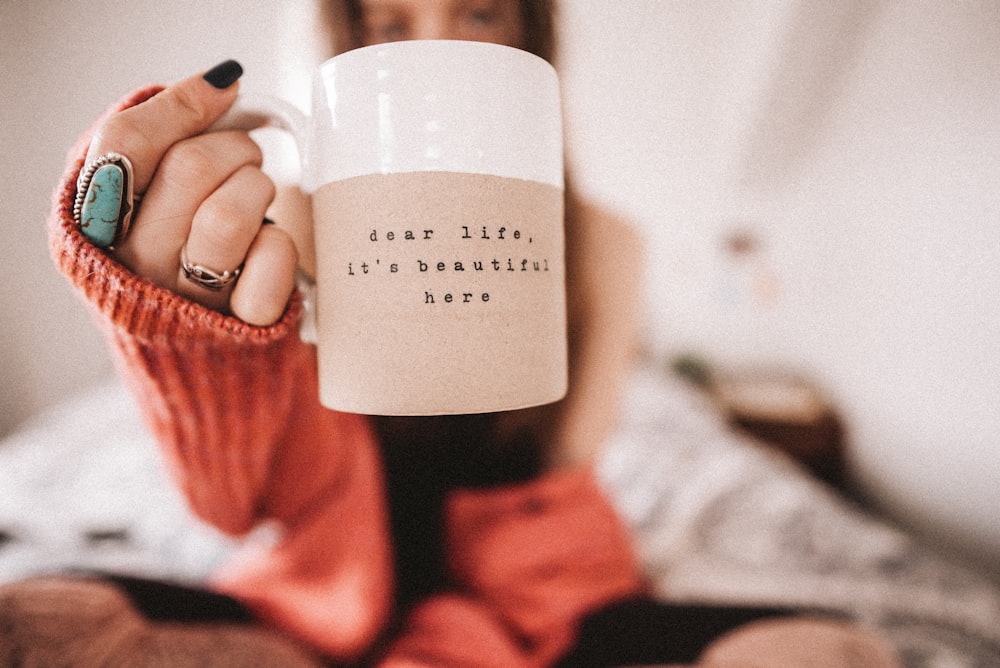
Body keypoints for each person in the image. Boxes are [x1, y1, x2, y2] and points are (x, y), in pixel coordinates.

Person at [1, 1, 901, 666]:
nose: (435, 46)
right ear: (354, 53)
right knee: (37, 627)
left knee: (834, 654)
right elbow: (232, 510)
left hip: (536, 575)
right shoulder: (284, 222)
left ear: (529, 46)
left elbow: (563, 461)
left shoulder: (606, 243)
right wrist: (179, 344)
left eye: (477, 12)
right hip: (328, 569)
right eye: (393, 26)